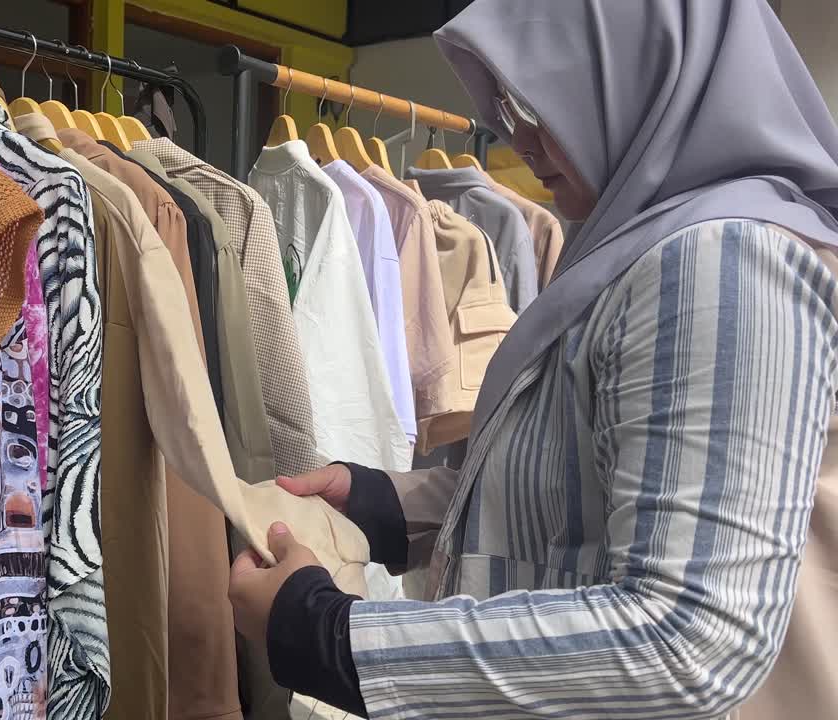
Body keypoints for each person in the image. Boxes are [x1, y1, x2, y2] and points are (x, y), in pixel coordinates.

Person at [227, 1, 838, 718]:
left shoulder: (722, 262)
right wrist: (387, 505)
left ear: (639, 72)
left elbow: (689, 642)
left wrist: (330, 637)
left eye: (545, 96)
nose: (524, 137)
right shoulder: (635, 243)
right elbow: (591, 492)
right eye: (509, 105)